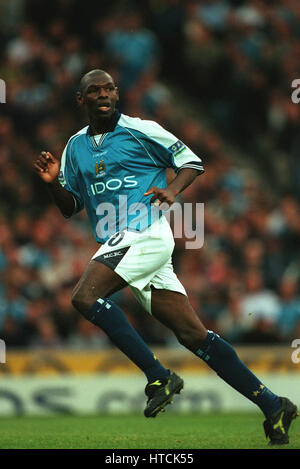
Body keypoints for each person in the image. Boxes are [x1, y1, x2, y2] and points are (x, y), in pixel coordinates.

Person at [34, 69, 297, 445]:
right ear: (82, 99)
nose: (104, 94)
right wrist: (52, 184)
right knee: (194, 335)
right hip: (119, 241)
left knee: (84, 297)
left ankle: (158, 375)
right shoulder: (74, 147)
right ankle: (274, 405)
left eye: (109, 88)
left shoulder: (142, 129)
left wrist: (173, 191)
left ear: (116, 93)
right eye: (94, 90)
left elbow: (191, 161)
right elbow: (70, 206)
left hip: (146, 232)